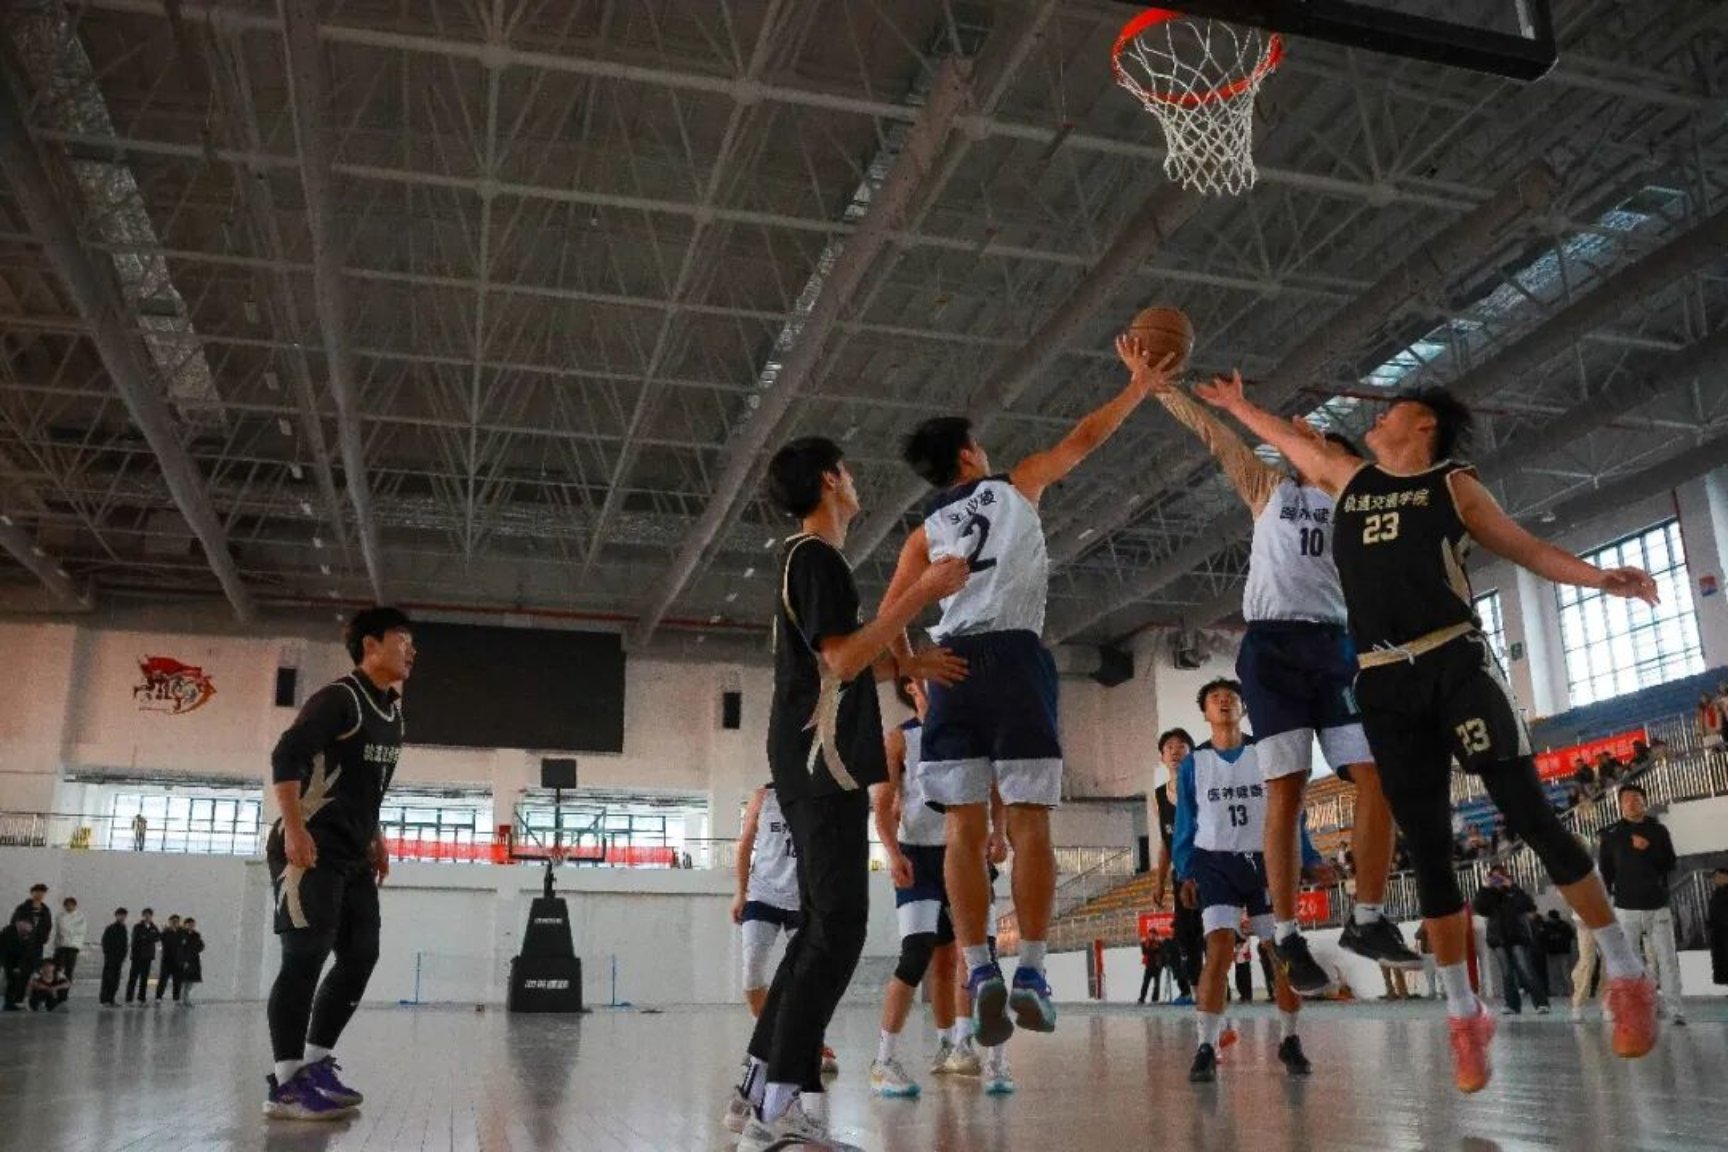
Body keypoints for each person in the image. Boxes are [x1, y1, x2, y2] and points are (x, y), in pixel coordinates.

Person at [1196, 374, 1660, 1092]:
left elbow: (1527, 548)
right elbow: (1285, 441)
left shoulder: (1453, 484)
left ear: (1424, 427)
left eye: (1392, 412)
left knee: (1531, 815)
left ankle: (1625, 974)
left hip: (1455, 661)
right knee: (1431, 852)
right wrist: (1235, 407)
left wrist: (1598, 579)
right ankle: (1464, 1015)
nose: (1377, 418)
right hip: (1385, 680)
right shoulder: (1348, 481)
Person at [881, 337, 1179, 1053]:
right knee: (1029, 823)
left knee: (962, 829)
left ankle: (980, 969)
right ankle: (1033, 973)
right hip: (1015, 658)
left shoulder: (922, 535)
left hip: (952, 667)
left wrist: (912, 663)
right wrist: (1137, 386)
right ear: (968, 456)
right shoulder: (1015, 486)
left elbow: (889, 613)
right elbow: (1085, 438)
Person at [1142, 357, 1418, 995]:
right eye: (1320, 452)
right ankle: (1287, 935)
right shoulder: (1271, 490)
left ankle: (1368, 917)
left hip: (1335, 647)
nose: (1324, 461)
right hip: (1272, 648)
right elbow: (1219, 438)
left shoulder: (1359, 507)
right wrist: (1165, 391)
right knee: (1285, 794)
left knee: (1380, 778)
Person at [727, 436, 969, 1152]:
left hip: (812, 761)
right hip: (820, 761)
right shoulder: (816, 558)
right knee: (837, 931)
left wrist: (909, 661)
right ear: (832, 479)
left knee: (819, 932)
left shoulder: (810, 562)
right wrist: (922, 593)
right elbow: (840, 657)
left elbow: (840, 661)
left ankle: (755, 1093)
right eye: (850, 472)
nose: (856, 482)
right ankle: (777, 1110)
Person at [263, 606, 415, 1121]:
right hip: (311, 847)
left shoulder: (392, 715)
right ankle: (285, 1084)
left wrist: (377, 837)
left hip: (354, 853)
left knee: (361, 955)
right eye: (402, 639)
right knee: (305, 956)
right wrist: (295, 830)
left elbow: (365, 787)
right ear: (370, 645)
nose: (412, 651)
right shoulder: (338, 699)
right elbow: (286, 756)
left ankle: (315, 1063)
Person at [1173, 678, 1324, 1083]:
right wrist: (1185, 871)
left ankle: (1289, 1038)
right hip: (1215, 863)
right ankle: (1206, 1045)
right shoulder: (1194, 764)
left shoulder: (1264, 752)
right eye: (1215, 698)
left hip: (1265, 860)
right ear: (1205, 712)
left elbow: (1292, 813)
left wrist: (1308, 856)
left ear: (1243, 707)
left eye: (1231, 697)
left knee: (1279, 952)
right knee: (1219, 949)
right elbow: (1185, 821)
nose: (1224, 702)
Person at [868, 678, 998, 1097]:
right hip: (918, 856)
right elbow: (882, 804)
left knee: (967, 953)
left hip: (964, 852)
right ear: (912, 689)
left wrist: (999, 833)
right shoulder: (899, 739)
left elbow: (994, 788)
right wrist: (892, 853)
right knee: (918, 952)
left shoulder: (971, 731)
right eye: (926, 681)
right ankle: (884, 1059)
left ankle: (958, 1044)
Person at [1598, 783, 1684, 1025]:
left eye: (1636, 798)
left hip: (1657, 905)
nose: (1632, 803)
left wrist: (1648, 850)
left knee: (1667, 959)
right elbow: (1606, 872)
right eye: (1626, 799)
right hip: (1626, 906)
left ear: (1644, 802)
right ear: (1620, 805)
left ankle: (1675, 1010)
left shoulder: (1658, 830)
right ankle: (1633, 1010)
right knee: (1628, 962)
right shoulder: (1612, 834)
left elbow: (1670, 863)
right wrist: (1608, 901)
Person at [734, 783, 804, 1019]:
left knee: (807, 977)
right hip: (762, 895)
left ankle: (805, 1034)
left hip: (802, 900)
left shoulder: (818, 796)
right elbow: (745, 845)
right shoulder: (763, 797)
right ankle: (766, 1035)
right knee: (752, 972)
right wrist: (740, 893)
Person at [1152, 728, 1200, 1005]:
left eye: (1182, 746)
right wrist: (1159, 881)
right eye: (1169, 747)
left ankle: (1218, 986)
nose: (1175, 751)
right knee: (1184, 933)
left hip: (1207, 869)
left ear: (1191, 754)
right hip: (1180, 874)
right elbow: (1165, 841)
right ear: (1162, 757)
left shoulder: (1200, 785)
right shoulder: (1159, 796)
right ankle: (1196, 989)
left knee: (1210, 931)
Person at [1471, 868, 1549, 1016]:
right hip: (1498, 938)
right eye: (1494, 878)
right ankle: (1512, 1005)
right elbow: (1480, 908)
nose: (1497, 881)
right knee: (1507, 973)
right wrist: (1485, 889)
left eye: (1500, 877)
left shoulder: (1514, 892)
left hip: (1517, 936)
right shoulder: (1489, 895)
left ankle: (1541, 1003)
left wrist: (1512, 887)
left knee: (1526, 970)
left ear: (1506, 877)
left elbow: (1528, 905)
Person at [51, 896, 85, 1003]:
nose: (69, 907)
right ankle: (56, 992)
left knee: (69, 971)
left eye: (71, 905)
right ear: (64, 906)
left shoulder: (80, 917)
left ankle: (64, 994)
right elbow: (59, 930)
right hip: (61, 946)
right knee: (58, 970)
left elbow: (80, 931)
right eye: (67, 905)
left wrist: (69, 933)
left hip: (73, 947)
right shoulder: (60, 916)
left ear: (75, 905)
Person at [11, 883, 52, 974]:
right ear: (32, 893)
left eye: (42, 893)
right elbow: (14, 923)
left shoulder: (45, 910)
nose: (39, 895)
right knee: (21, 968)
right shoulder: (22, 908)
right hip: (23, 943)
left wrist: (44, 937)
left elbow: (48, 926)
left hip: (38, 943)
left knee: (35, 968)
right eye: (37, 893)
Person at [1540, 909, 1578, 1000]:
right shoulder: (1564, 925)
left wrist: (1553, 937)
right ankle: (1569, 991)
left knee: (1558, 973)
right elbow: (1571, 936)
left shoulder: (1547, 925)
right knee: (1565, 973)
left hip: (1554, 952)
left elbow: (1542, 936)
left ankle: (1560, 991)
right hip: (1562, 951)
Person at [1, 912, 36, 1010]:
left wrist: (20, 966)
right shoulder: (8, 931)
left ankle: (17, 1001)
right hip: (10, 960)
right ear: (20, 923)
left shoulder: (29, 933)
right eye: (27, 924)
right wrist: (15, 966)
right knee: (12, 980)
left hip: (24, 961)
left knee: (23, 980)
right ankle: (9, 1003)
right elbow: (7, 950)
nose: (29, 928)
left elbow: (28, 950)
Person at [126, 908, 160, 1003]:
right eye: (145, 915)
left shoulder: (154, 927)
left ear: (151, 916)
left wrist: (146, 937)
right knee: (133, 978)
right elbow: (136, 939)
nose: (147, 917)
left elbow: (158, 937)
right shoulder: (137, 927)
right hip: (137, 956)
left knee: (144, 979)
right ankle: (129, 998)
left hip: (148, 957)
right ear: (143, 916)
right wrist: (149, 938)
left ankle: (141, 998)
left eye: (149, 915)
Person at [99, 908, 128, 1006]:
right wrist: (108, 954)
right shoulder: (110, 928)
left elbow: (124, 944)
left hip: (119, 959)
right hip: (110, 958)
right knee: (108, 979)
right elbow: (104, 942)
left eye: (124, 915)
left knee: (115, 980)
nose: (122, 917)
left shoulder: (124, 929)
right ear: (116, 915)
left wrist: (123, 956)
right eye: (120, 915)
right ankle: (104, 1000)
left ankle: (111, 999)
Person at [157, 914, 185, 1003]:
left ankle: (176, 998)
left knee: (177, 981)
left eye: (177, 921)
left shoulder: (182, 932)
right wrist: (163, 931)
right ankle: (158, 997)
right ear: (170, 922)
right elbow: (159, 939)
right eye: (173, 921)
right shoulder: (166, 932)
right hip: (167, 960)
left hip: (178, 960)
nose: (175, 923)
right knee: (163, 980)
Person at [1708, 868, 1728, 988]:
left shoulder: (1722, 893)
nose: (1715, 880)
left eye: (1718, 877)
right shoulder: (1718, 892)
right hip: (1719, 933)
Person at [180, 918, 204, 1006]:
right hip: (184, 960)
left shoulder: (196, 935)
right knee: (182, 981)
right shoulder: (181, 934)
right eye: (189, 924)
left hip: (194, 960)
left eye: (193, 925)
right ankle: (181, 999)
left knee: (190, 981)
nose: (191, 926)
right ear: (185, 925)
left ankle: (186, 999)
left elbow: (201, 946)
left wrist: (196, 949)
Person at [1138, 925, 1164, 1005]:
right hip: (1149, 966)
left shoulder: (1159, 943)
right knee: (1145, 983)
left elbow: (1160, 951)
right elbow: (1145, 952)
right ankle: (1142, 998)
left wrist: (1159, 944)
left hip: (1157, 966)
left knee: (1157, 984)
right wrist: (1142, 944)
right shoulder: (1146, 943)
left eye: (1153, 934)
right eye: (1151, 934)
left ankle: (1155, 999)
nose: (1152, 935)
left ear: (1156, 935)